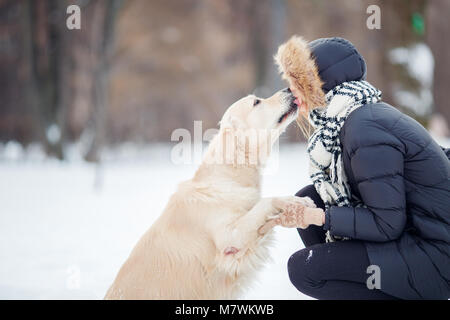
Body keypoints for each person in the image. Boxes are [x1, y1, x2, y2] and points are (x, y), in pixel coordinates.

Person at [271, 36, 450, 300]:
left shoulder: (364, 130)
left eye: (298, 84)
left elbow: (387, 223)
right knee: (310, 196)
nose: (293, 94)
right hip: (418, 235)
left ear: (321, 85)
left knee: (306, 268)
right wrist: (315, 212)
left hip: (436, 255)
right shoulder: (356, 115)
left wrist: (320, 217)